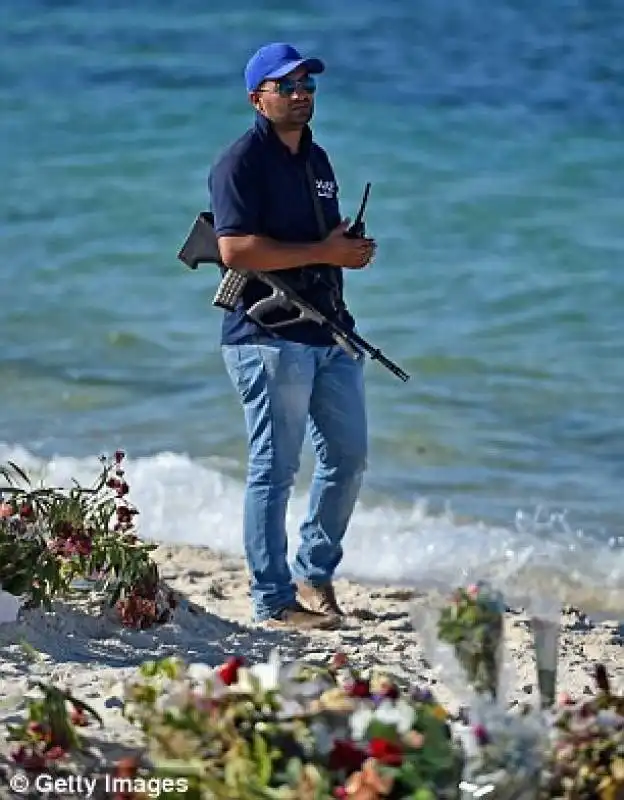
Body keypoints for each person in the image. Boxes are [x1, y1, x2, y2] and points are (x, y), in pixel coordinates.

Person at [208, 42, 376, 630]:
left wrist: (347, 247)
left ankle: (315, 572)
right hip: (265, 334)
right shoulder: (239, 164)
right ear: (258, 97)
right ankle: (274, 600)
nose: (302, 93)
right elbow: (234, 248)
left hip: (331, 331)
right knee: (275, 469)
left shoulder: (318, 159)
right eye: (288, 86)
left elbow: (324, 234)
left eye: (308, 84)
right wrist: (322, 250)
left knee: (348, 458)